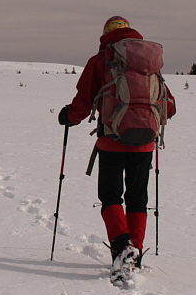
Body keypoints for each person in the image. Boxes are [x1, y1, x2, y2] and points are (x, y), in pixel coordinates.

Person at [58, 16, 176, 280]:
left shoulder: (101, 60)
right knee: (138, 198)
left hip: (111, 141)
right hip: (145, 144)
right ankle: (134, 251)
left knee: (111, 197)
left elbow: (84, 102)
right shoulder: (148, 64)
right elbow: (170, 105)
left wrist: (69, 117)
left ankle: (122, 248)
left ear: (106, 34)